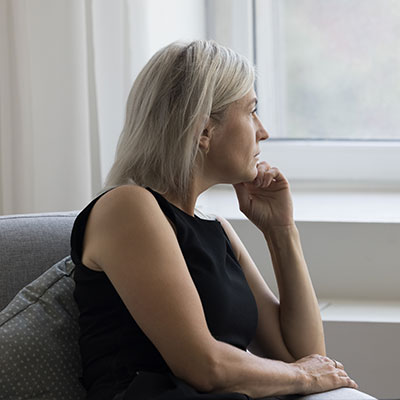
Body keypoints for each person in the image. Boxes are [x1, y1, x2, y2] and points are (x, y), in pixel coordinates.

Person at [71, 40, 359, 400]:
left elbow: (306, 356)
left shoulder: (218, 230)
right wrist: (305, 376)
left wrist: (281, 231)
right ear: (204, 131)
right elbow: (204, 367)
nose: (263, 131)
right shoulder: (128, 207)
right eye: (251, 111)